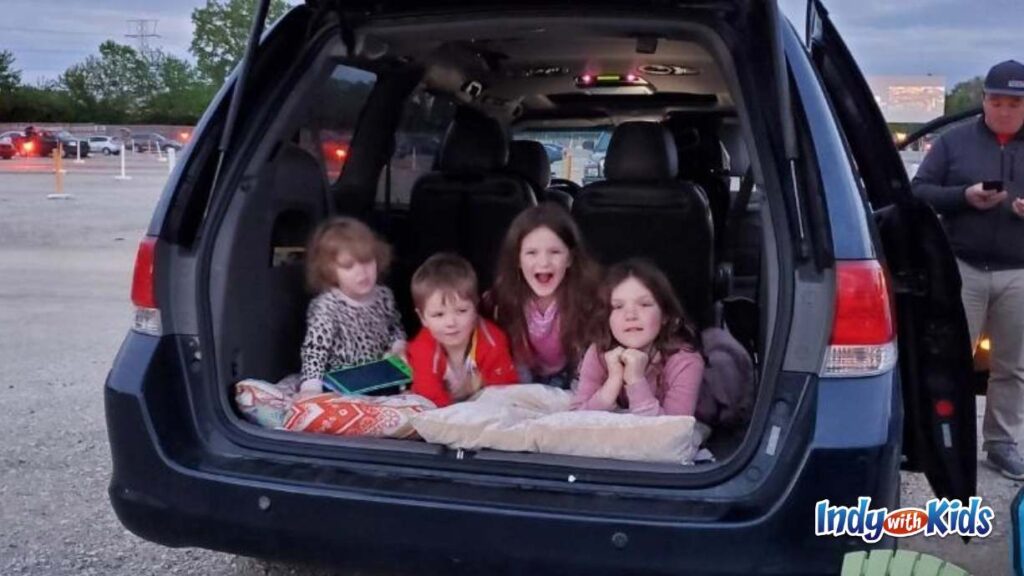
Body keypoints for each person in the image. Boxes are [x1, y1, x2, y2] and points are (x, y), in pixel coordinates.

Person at [912, 59, 1024, 479]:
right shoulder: (953, 143)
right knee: (951, 360)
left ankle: (1001, 444)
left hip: (1019, 272)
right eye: (998, 101)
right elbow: (917, 190)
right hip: (963, 268)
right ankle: (942, 440)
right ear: (984, 101)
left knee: (1012, 367)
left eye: (1015, 102)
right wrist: (963, 196)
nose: (1006, 109)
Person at [571, 259, 704, 416]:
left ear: (665, 315)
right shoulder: (598, 352)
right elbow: (576, 416)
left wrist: (635, 380)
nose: (630, 315)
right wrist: (612, 383)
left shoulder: (685, 361)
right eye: (618, 306)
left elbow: (674, 430)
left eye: (644, 304)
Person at [489, 204, 601, 388]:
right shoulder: (501, 300)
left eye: (555, 252)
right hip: (520, 378)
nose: (543, 262)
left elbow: (591, 360)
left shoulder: (588, 298)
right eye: (531, 253)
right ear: (517, 259)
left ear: (570, 259)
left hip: (574, 376)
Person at [299, 217, 406, 394]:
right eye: (349, 266)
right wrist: (310, 388)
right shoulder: (326, 306)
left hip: (380, 376)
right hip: (341, 382)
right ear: (330, 271)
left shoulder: (383, 296)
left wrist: (398, 347)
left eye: (367, 261)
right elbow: (315, 351)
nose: (362, 272)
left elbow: (395, 327)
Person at [407, 253, 518, 407]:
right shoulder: (422, 348)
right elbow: (430, 399)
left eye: (461, 311)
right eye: (439, 314)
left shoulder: (493, 341)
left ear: (475, 307)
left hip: (484, 408)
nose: (451, 322)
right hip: (440, 410)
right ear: (422, 318)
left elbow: (507, 393)